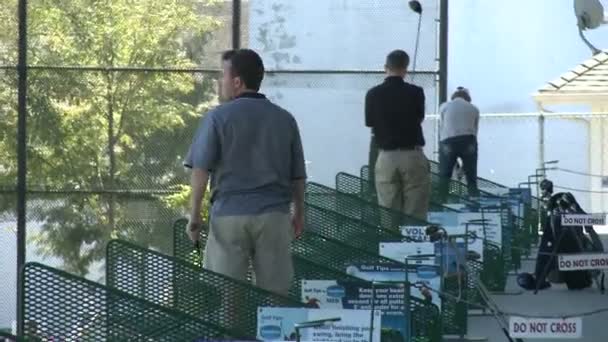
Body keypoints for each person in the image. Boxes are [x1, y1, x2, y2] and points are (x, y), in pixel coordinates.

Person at [184, 49, 307, 296]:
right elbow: (298, 176)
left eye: (223, 76)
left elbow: (201, 171)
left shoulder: (217, 118)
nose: (220, 82)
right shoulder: (285, 119)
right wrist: (299, 212)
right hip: (273, 216)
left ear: (237, 82)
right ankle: (273, 334)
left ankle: (233, 335)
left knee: (229, 294)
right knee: (276, 294)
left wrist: (194, 215)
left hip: (229, 216)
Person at [365, 49, 430, 221]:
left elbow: (370, 122)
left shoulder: (373, 94)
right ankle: (414, 245)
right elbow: (419, 117)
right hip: (412, 154)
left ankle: (391, 243)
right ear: (405, 69)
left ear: (386, 67)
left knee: (388, 209)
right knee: (416, 208)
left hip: (386, 156)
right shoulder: (416, 92)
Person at [437, 87, 480, 201]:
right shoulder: (474, 108)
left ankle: (441, 203)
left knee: (445, 176)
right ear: (467, 99)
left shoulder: (444, 106)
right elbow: (475, 131)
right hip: (469, 141)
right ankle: (474, 200)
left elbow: (443, 127)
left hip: (448, 142)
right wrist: (463, 167)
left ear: (453, 97)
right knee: (471, 177)